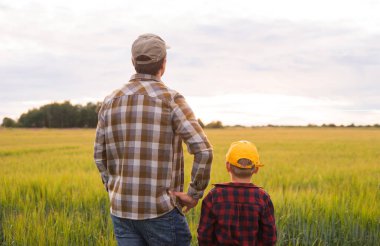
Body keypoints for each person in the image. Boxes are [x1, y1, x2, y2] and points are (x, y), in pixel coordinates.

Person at [94, 33, 213, 246]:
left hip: (121, 211)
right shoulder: (171, 99)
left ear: (133, 62)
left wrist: (114, 187)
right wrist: (194, 194)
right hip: (161, 212)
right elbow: (203, 150)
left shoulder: (109, 101)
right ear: (164, 63)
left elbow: (98, 155)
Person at [197, 140, 276, 246]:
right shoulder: (263, 198)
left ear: (227, 166)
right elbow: (269, 238)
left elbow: (204, 236)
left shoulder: (214, 196)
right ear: (256, 169)